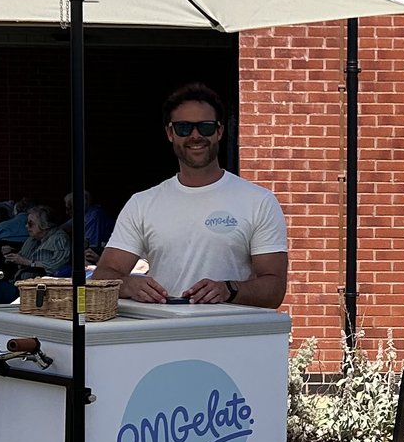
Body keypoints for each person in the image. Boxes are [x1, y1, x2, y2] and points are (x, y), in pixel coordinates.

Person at [91, 84, 290, 307]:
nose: (195, 136)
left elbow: (274, 289)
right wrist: (129, 284)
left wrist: (229, 289)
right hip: (163, 335)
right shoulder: (142, 204)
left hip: (233, 337)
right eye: (184, 128)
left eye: (205, 127)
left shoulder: (259, 201)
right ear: (170, 133)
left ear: (219, 131)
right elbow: (103, 276)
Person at [9, 205, 77, 278]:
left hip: (42, 284)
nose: (26, 226)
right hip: (21, 282)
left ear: (45, 224)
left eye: (30, 223)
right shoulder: (32, 239)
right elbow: (21, 257)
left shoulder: (59, 239)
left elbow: (56, 266)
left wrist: (28, 262)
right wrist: (11, 256)